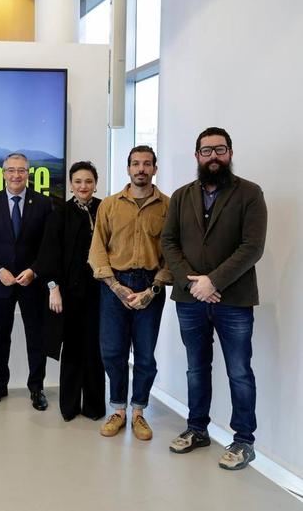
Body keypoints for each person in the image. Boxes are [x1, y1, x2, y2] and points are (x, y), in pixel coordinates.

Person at [161, 127, 267, 471]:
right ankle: (197, 429)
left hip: (233, 299)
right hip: (190, 299)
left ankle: (243, 441)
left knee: (239, 371)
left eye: (219, 150)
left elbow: (252, 247)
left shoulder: (250, 193)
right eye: (206, 151)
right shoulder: (180, 196)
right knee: (196, 368)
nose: (213, 157)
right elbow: (169, 243)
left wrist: (213, 281)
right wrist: (195, 285)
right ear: (197, 157)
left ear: (230, 153)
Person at [88, 145, 171, 440]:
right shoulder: (109, 205)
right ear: (127, 168)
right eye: (136, 164)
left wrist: (153, 289)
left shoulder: (168, 206)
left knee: (146, 355)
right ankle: (118, 410)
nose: (141, 169)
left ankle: (139, 412)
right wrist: (116, 287)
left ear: (155, 169)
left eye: (147, 164)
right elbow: (97, 249)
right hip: (114, 285)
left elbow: (172, 254)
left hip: (150, 285)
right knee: (112, 351)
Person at [0, 153, 54, 410]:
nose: (16, 175)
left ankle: (37, 388)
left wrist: (34, 270)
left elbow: (47, 246)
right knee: (1, 337)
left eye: (21, 170)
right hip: (1, 284)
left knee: (36, 338)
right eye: (11, 170)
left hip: (33, 282)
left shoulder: (43, 203)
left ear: (28, 174)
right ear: (3, 173)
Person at [36, 161, 105, 421]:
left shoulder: (105, 209)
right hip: (70, 294)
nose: (83, 186)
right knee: (73, 349)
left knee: (96, 349)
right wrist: (53, 289)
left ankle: (95, 407)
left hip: (100, 293)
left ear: (95, 183)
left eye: (88, 181)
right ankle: (70, 406)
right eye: (78, 182)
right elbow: (48, 254)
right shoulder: (59, 214)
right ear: (71, 185)